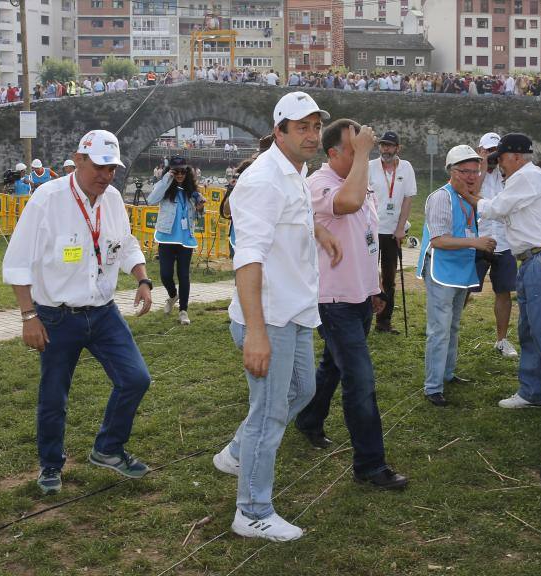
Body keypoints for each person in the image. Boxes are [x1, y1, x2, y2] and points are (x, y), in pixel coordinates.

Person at [211, 92, 341, 542]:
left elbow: (287, 222)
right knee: (268, 414)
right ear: (279, 130)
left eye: (315, 126)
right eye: (301, 126)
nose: (311, 134)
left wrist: (318, 231)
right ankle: (252, 510)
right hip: (269, 317)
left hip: (295, 310)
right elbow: (247, 259)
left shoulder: (294, 173)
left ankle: (235, 453)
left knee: (302, 390)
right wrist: (257, 334)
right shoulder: (264, 179)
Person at [2, 130, 154, 495]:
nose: (106, 175)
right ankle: (51, 465)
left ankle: (108, 449)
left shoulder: (113, 199)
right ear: (79, 159)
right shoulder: (47, 199)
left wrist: (143, 278)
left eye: (112, 169)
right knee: (54, 395)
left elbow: (126, 241)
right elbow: (18, 262)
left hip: (103, 312)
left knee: (136, 379)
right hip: (56, 315)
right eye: (100, 167)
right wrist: (28, 317)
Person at [295, 118, 409, 490]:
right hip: (334, 302)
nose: (366, 150)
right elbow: (348, 203)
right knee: (360, 381)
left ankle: (309, 419)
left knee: (332, 366)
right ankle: (370, 465)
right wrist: (364, 156)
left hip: (359, 296)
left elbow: (367, 238)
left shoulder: (360, 182)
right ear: (333, 153)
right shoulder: (319, 183)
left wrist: (374, 287)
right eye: (355, 146)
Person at [458, 133, 541, 419]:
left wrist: (466, 195)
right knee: (528, 331)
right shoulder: (524, 179)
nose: (499, 165)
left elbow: (495, 209)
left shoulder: (526, 178)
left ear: (515, 156)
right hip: (530, 260)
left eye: (500, 158)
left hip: (540, 259)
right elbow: (502, 210)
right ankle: (532, 391)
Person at [417, 146, 496, 407]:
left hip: (460, 270)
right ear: (452, 171)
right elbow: (439, 241)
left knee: (452, 326)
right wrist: (476, 243)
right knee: (439, 330)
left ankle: (447, 374)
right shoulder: (442, 198)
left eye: (476, 171)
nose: (472, 176)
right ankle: (432, 386)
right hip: (441, 271)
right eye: (465, 171)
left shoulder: (468, 197)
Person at [468, 132, 518, 358]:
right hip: (479, 241)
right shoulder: (473, 173)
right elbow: (471, 194)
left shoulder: (507, 174)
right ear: (480, 151)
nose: (492, 156)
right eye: (488, 151)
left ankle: (502, 339)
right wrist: (482, 164)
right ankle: (451, 329)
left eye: (495, 151)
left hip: (504, 242)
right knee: (464, 290)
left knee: (504, 292)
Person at [367, 131, 417, 334]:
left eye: (390, 145)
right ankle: (363, 319)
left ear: (398, 148)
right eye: (383, 145)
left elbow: (408, 199)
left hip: (392, 232)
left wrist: (400, 228)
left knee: (388, 279)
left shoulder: (406, 167)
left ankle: (383, 322)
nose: (386, 149)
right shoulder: (370, 167)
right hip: (370, 230)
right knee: (367, 277)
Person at [147, 156, 205, 325]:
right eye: (176, 171)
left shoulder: (192, 192)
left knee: (183, 275)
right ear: (170, 171)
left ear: (187, 172)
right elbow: (151, 200)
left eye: (183, 171)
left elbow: (197, 216)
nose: (180, 174)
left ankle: (183, 311)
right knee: (165, 274)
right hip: (166, 237)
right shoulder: (165, 189)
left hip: (185, 239)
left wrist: (200, 208)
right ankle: (173, 296)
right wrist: (167, 179)